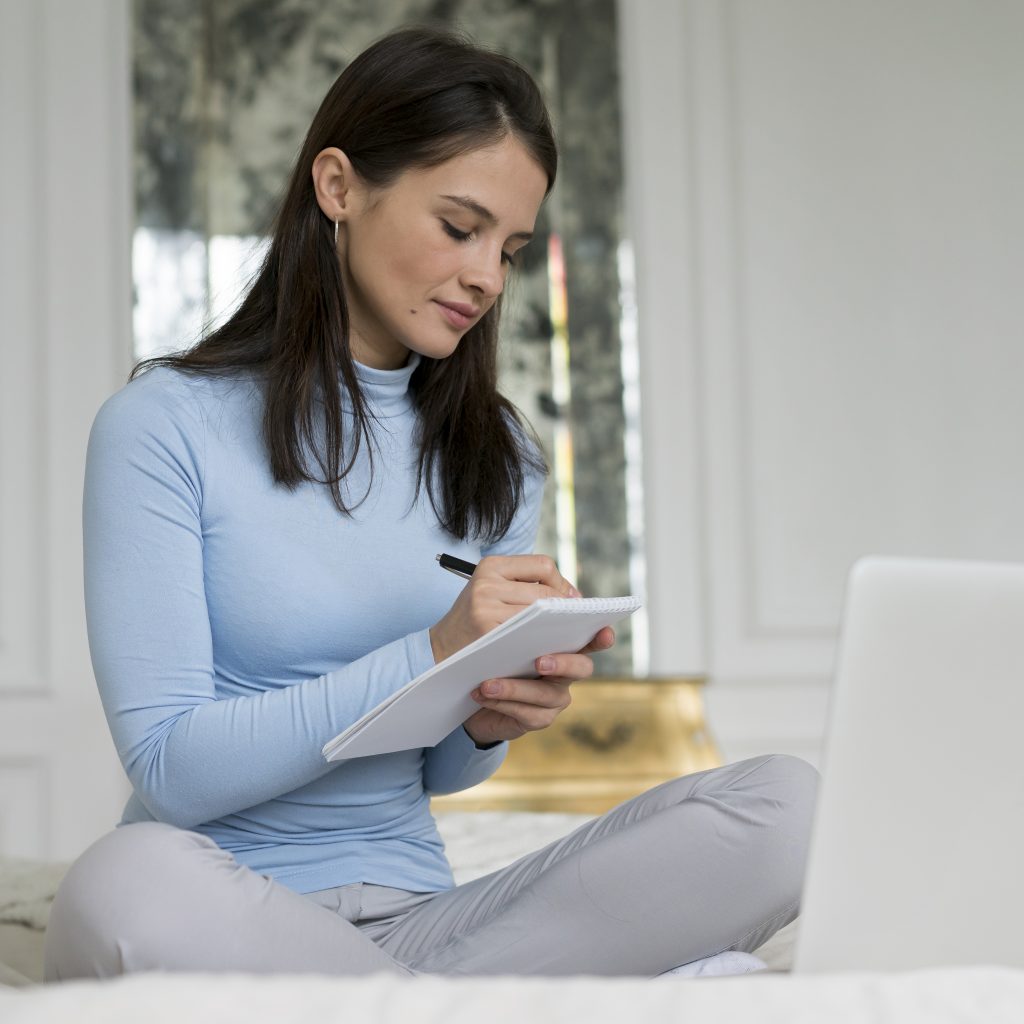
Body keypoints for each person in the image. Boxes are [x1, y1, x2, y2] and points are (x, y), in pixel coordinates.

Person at [44, 26, 817, 980]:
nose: (487, 277)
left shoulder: (496, 455)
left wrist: (485, 715)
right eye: (460, 227)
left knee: (790, 807)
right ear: (338, 187)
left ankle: (420, 1002)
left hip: (427, 922)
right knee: (124, 883)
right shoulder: (163, 426)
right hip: (221, 910)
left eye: (512, 248)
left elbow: (443, 773)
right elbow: (171, 770)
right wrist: (437, 653)